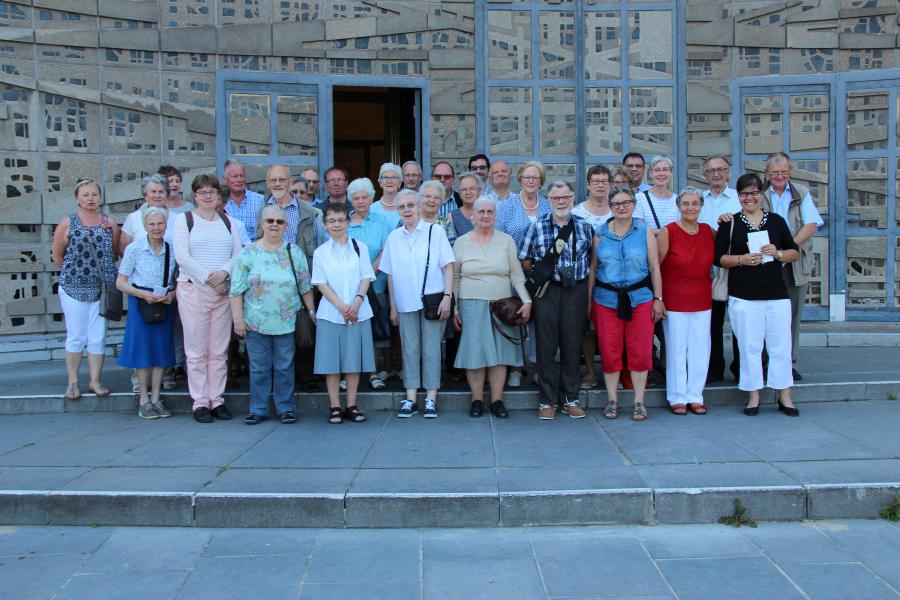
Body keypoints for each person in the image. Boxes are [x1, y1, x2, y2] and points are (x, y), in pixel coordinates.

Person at [715, 173, 800, 416]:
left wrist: (778, 253)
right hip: (743, 295)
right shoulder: (729, 223)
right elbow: (718, 258)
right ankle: (753, 395)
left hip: (776, 294)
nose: (749, 198)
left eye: (754, 193)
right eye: (744, 194)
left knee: (780, 346)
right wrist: (741, 259)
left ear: (762, 195)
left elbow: (794, 252)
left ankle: (784, 395)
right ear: (738, 196)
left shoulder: (775, 221)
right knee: (749, 347)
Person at [230, 204, 316, 425]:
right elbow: (236, 289)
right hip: (256, 322)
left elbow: (305, 286)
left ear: (286, 226)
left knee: (285, 367)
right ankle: (258, 409)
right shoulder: (248, 252)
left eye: (279, 222)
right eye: (270, 221)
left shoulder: (293, 251)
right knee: (258, 368)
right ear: (262, 224)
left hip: (286, 322)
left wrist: (312, 312)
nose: (275, 225)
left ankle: (285, 408)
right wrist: (238, 319)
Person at [588, 184, 665, 422]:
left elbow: (654, 267)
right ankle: (612, 399)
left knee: (640, 350)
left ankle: (639, 401)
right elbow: (593, 268)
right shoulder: (600, 233)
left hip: (639, 298)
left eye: (626, 203)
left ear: (633, 205)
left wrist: (658, 299)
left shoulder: (645, 231)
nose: (621, 208)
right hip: (606, 299)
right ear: (610, 207)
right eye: (616, 204)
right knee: (610, 351)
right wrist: (588, 303)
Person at [519, 181, 594, 420]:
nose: (561, 202)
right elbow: (525, 259)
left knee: (572, 345)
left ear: (573, 198)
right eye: (556, 198)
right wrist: (542, 278)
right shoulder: (537, 226)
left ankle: (570, 398)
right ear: (548, 200)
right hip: (547, 292)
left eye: (565, 197)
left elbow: (591, 260)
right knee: (546, 346)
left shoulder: (584, 227)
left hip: (576, 290)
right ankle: (547, 400)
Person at [173, 174, 242, 423]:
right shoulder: (185, 221)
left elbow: (238, 254)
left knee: (219, 350)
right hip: (194, 290)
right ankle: (200, 401)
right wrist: (207, 277)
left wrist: (223, 274)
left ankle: (217, 399)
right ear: (195, 196)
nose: (207, 196)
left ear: (218, 195)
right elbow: (182, 255)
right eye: (202, 192)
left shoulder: (229, 222)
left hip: (222, 293)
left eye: (212, 191)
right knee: (196, 350)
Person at [454, 196, 531, 418]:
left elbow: (516, 274)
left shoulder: (506, 240)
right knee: (475, 354)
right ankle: (476, 399)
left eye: (490, 212)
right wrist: (456, 309)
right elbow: (455, 278)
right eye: (481, 212)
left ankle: (497, 400)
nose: (486, 216)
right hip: (470, 305)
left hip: (501, 307)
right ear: (472, 215)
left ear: (495, 215)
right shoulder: (461, 242)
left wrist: (526, 300)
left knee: (500, 355)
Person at [380, 191, 455, 418]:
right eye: (402, 207)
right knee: (409, 349)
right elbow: (390, 274)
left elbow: (448, 267)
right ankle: (411, 397)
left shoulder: (436, 231)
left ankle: (431, 397)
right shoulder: (394, 237)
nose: (407, 210)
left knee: (432, 349)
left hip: (433, 300)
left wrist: (447, 297)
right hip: (405, 302)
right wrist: (393, 306)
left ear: (420, 207)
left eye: (411, 205)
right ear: (398, 211)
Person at [51, 179, 120, 401]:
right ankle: (72, 382)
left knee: (98, 337)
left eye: (94, 194)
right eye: (85, 194)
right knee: (76, 336)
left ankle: (95, 381)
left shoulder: (110, 223)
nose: (91, 198)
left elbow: (114, 252)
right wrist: (77, 272)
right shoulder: (67, 223)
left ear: (100, 197)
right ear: (77, 198)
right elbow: (57, 255)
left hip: (102, 289)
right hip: (73, 286)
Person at [762, 152, 824, 381]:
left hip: (794, 261)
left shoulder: (801, 192)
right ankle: (766, 362)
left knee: (792, 315)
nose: (779, 176)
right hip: (767, 260)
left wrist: (788, 248)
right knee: (766, 315)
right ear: (767, 173)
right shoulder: (761, 194)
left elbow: (811, 225)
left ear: (791, 171)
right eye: (775, 172)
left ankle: (789, 362)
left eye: (784, 172)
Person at [312, 202, 375, 424]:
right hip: (331, 312)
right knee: (331, 362)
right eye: (331, 221)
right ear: (325, 225)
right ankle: (335, 406)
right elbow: (320, 283)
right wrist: (341, 306)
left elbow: (366, 276)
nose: (336, 224)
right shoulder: (321, 252)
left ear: (348, 222)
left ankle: (351, 405)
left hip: (359, 311)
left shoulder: (360, 247)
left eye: (340, 220)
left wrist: (357, 302)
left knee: (352, 361)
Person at [657, 187, 715, 415]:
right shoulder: (668, 231)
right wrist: (658, 298)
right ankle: (677, 396)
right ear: (678, 206)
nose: (690, 208)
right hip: (675, 299)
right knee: (676, 350)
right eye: (686, 204)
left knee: (700, 350)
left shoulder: (709, 231)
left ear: (701, 206)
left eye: (695, 204)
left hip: (702, 298)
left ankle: (695, 395)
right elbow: (656, 267)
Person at [115, 206, 176, 419]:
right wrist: (142, 294)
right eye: (152, 224)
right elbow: (121, 282)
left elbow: (178, 280)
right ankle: (143, 398)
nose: (156, 228)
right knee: (142, 350)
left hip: (163, 301)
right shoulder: (134, 249)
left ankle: (157, 397)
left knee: (160, 352)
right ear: (145, 226)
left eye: (160, 223)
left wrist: (173, 294)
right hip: (141, 302)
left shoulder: (172, 249)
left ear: (166, 225)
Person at [497, 160, 550, 388]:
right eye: (527, 177)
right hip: (515, 271)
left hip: (542, 273)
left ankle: (538, 365)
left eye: (535, 178)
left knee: (541, 321)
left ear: (541, 181)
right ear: (519, 179)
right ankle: (516, 368)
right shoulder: (508, 206)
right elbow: (498, 238)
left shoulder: (548, 205)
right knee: (516, 318)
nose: (531, 181)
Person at [347, 177, 394, 389]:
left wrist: (368, 274)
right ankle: (350, 374)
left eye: (364, 196)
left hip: (376, 286)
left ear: (371, 197)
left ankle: (373, 372)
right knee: (352, 332)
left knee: (375, 331)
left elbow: (386, 250)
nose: (360, 201)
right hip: (349, 288)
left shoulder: (380, 220)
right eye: (355, 198)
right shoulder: (345, 223)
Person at [700, 155, 741, 383]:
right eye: (711, 171)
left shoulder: (738, 198)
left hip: (735, 266)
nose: (716, 174)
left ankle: (740, 367)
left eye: (721, 169)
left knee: (738, 320)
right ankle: (714, 367)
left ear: (728, 172)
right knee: (712, 322)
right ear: (705, 174)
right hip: (708, 269)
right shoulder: (698, 199)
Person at [572, 164, 613, 390]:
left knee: (611, 328)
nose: (600, 185)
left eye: (604, 181)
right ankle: (590, 371)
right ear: (588, 184)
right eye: (595, 181)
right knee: (587, 328)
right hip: (585, 277)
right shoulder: (577, 212)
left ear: (610, 185)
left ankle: (612, 370)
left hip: (613, 280)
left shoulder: (617, 209)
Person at [120, 174, 173, 253]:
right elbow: (124, 248)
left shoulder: (178, 218)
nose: (157, 195)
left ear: (167, 194)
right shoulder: (133, 218)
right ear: (145, 195)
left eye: (161, 192)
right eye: (153, 191)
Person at [223, 159, 266, 243]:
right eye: (235, 176)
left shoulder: (259, 200)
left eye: (242, 176)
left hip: (253, 252)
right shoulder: (219, 202)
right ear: (225, 179)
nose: (239, 180)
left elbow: (263, 232)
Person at [635, 155, 679, 232]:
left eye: (665, 169)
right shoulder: (639, 198)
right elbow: (640, 230)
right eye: (657, 170)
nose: (661, 173)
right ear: (650, 173)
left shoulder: (678, 200)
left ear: (671, 173)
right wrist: (669, 233)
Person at [451, 171, 483, 239]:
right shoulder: (451, 217)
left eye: (472, 189)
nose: (468, 192)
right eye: (464, 189)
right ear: (460, 194)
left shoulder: (487, 214)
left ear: (479, 191)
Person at [370, 162, 403, 229]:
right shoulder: (372, 209)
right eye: (385, 177)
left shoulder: (407, 207)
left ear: (400, 182)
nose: (389, 181)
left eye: (393, 177)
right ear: (380, 183)